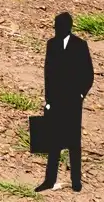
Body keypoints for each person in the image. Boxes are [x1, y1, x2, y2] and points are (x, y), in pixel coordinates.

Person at [44, 11, 94, 192]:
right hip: (56, 100)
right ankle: (49, 180)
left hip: (73, 101)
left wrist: (80, 95)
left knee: (74, 142)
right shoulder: (51, 44)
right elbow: (48, 74)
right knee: (53, 141)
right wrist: (48, 100)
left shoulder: (80, 45)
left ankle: (76, 181)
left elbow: (88, 73)